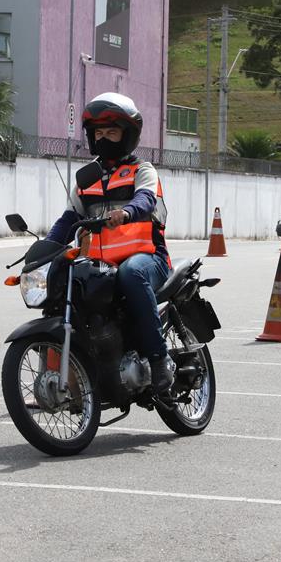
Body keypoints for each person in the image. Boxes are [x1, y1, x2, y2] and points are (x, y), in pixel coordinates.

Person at [45, 92, 175, 394]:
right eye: (98, 133)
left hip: (148, 258)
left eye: (112, 131)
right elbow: (68, 219)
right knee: (68, 280)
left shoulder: (142, 171)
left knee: (132, 273)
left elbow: (145, 200)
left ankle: (158, 358)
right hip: (102, 265)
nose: (104, 138)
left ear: (127, 134)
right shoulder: (86, 179)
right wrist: (45, 249)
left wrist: (127, 212)